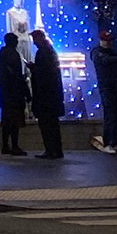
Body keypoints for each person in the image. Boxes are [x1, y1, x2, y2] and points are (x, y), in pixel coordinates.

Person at [30, 28, 65, 159]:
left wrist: (33, 68)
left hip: (45, 96)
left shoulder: (42, 53)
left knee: (46, 125)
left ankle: (50, 150)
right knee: (53, 125)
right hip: (53, 95)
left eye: (34, 39)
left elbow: (44, 74)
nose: (33, 43)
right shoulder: (51, 51)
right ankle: (57, 150)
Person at [0, 32, 29, 156]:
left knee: (7, 121)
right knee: (14, 122)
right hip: (14, 94)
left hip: (5, 94)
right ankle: (14, 146)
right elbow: (17, 76)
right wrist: (26, 92)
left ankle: (5, 145)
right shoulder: (13, 55)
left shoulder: (1, 55)